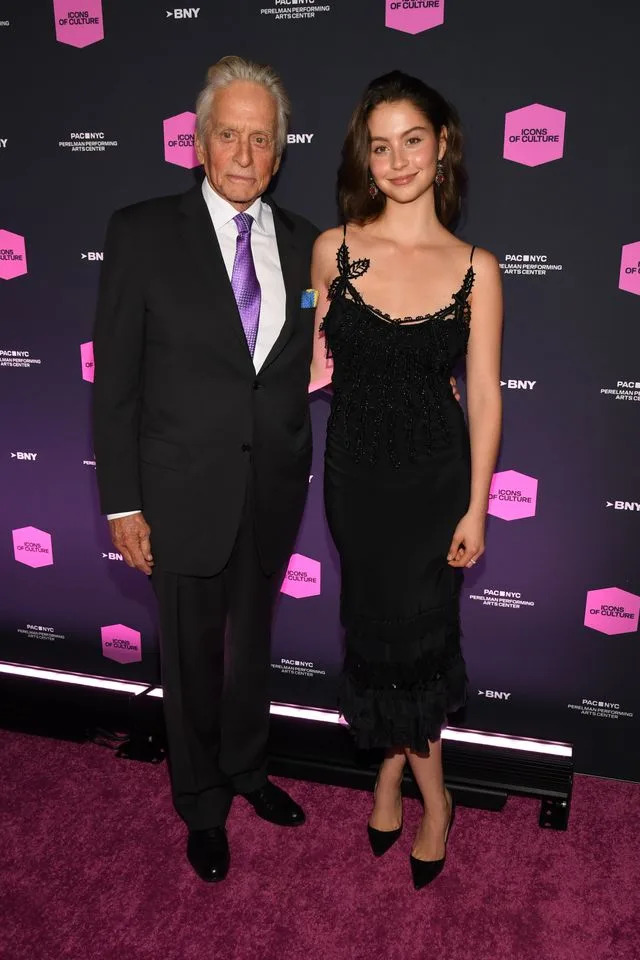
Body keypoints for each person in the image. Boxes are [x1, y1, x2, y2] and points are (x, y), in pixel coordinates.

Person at [92, 56, 320, 883]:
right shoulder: (141, 231)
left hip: (270, 489)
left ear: (280, 152)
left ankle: (250, 771)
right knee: (189, 661)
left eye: (262, 139)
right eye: (230, 134)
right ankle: (202, 802)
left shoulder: (305, 245)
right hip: (177, 491)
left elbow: (302, 361)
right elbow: (113, 384)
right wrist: (122, 502)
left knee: (252, 648)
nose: (245, 153)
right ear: (198, 142)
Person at [310, 71, 503, 889]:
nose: (396, 160)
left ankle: (430, 794)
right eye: (379, 146)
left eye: (412, 140)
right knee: (375, 637)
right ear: (366, 155)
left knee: (419, 648)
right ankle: (407, 774)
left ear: (443, 144)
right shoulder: (334, 248)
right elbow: (312, 366)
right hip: (356, 484)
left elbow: (485, 394)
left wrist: (477, 507)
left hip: (434, 488)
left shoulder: (477, 268)